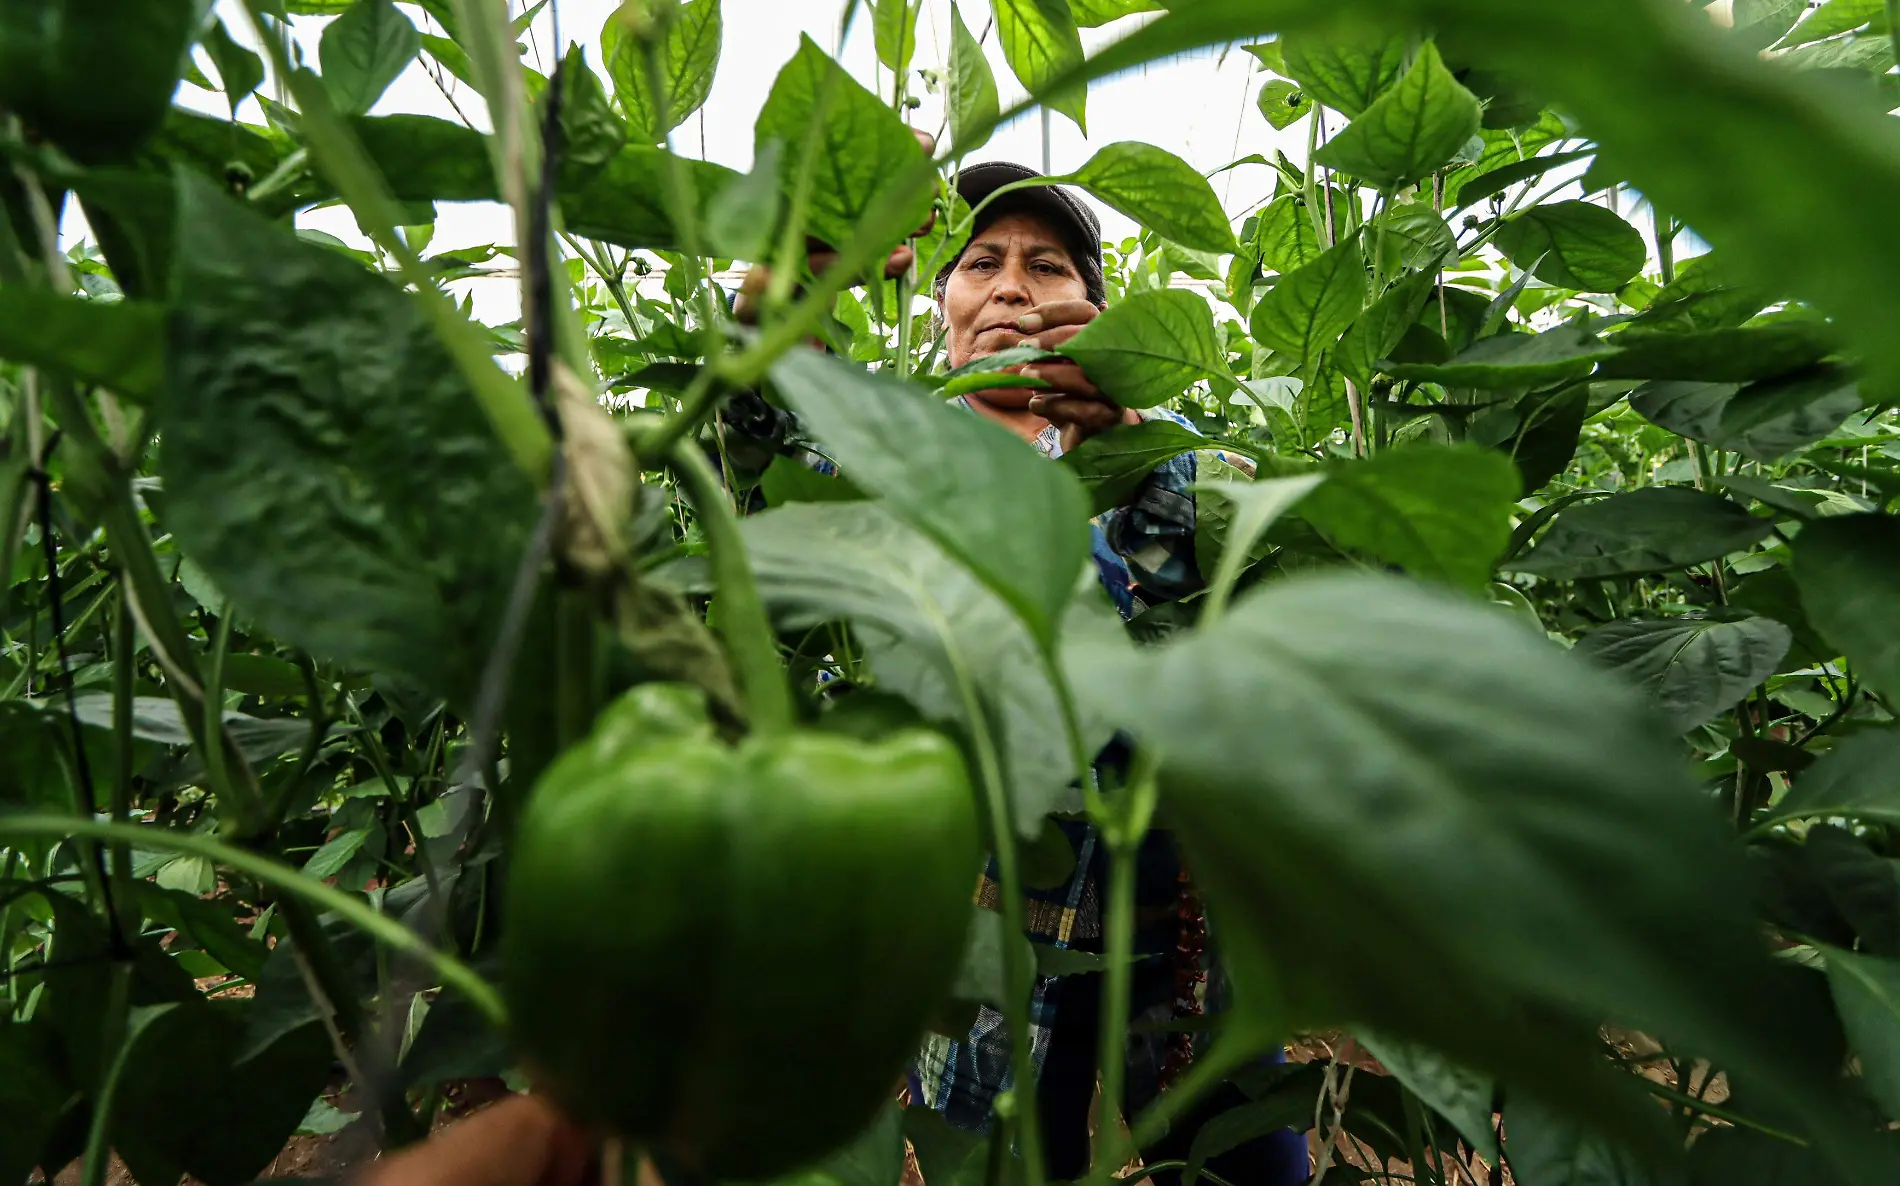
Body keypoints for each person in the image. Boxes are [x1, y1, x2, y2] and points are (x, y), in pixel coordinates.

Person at [355, 161, 1310, 1185]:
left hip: (1170, 917)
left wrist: (1128, 430)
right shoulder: (884, 449)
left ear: (1098, 312)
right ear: (941, 301)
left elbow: (1216, 572)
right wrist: (780, 320)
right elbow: (751, 459)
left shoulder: (1168, 456)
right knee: (993, 1158)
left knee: (1246, 1160)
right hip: (976, 918)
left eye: (1048, 265)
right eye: (980, 262)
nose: (1012, 287)